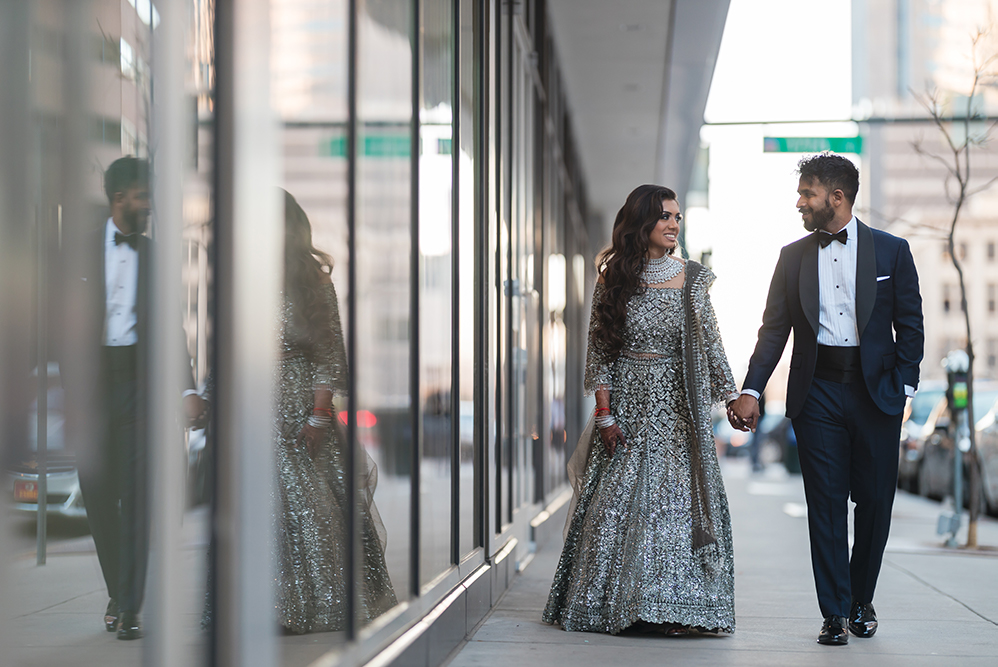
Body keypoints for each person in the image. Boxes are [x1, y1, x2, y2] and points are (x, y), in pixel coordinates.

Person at [728, 153, 924, 646]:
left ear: (836, 197)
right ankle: (835, 612)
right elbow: (773, 331)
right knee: (826, 505)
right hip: (815, 394)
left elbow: (911, 324)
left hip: (875, 393)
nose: (799, 203)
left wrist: (903, 385)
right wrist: (752, 389)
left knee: (876, 501)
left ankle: (862, 598)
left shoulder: (893, 251)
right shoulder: (791, 257)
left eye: (807, 193)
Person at [542, 184, 740, 636]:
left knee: (675, 505)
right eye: (664, 217)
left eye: (677, 217)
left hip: (676, 405)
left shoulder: (692, 278)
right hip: (627, 402)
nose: (673, 225)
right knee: (616, 502)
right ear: (642, 223)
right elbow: (601, 350)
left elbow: (711, 344)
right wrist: (605, 414)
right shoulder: (612, 279)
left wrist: (732, 397)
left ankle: (677, 607)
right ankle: (610, 602)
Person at [60, 157, 205, 640]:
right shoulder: (76, 251)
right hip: (93, 386)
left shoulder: (157, 254)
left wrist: (185, 388)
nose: (150, 205)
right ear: (120, 198)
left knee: (139, 498)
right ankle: (121, 593)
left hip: (142, 388)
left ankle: (130, 607)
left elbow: (172, 328)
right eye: (144, 196)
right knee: (101, 498)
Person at [271, 190, 396, 632]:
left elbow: (328, 353)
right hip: (253, 404)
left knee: (313, 507)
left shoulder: (313, 282)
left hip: (300, 404)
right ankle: (267, 603)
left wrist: (319, 413)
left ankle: (319, 603)